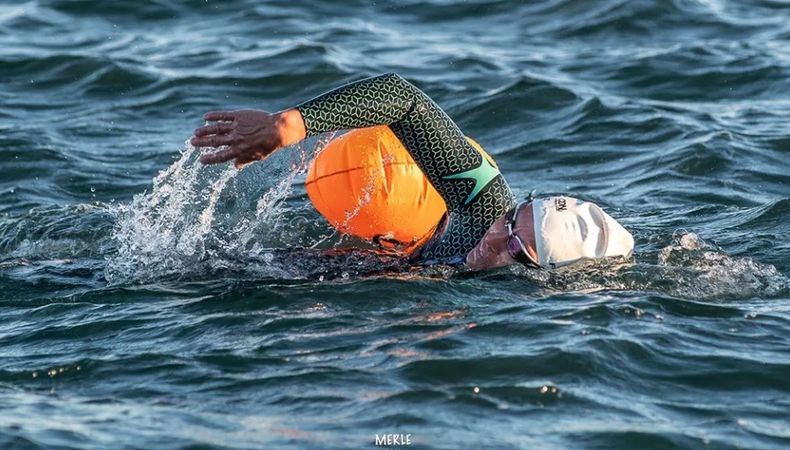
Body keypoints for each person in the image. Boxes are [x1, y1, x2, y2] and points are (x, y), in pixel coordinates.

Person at [191, 73, 634, 271]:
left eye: (517, 249)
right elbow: (401, 97)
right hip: (406, 238)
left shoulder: (510, 304)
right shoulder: (487, 205)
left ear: (541, 274)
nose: (496, 238)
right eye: (512, 221)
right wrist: (286, 126)